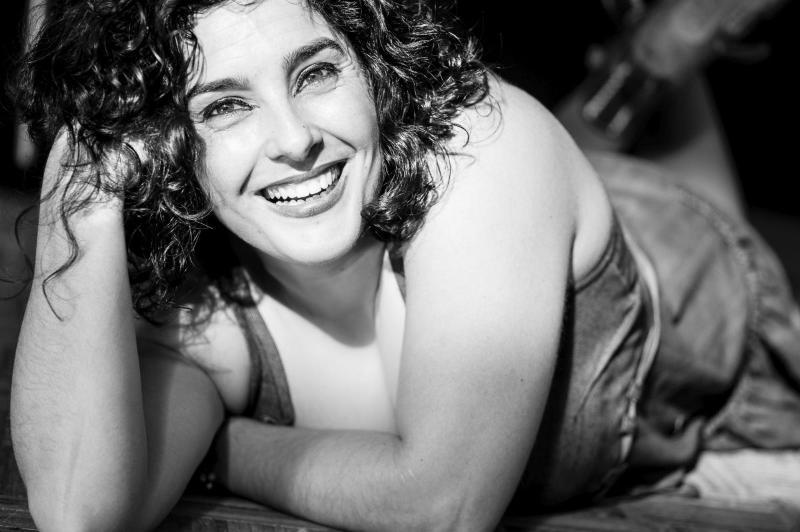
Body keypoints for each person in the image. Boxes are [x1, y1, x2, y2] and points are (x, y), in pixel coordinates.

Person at [9, 0, 800, 530]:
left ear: (370, 63)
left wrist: (221, 451)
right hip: (544, 222)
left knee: (588, 135)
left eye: (317, 71)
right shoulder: (204, 315)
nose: (294, 139)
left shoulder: (478, 153)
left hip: (693, 280)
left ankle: (660, 52)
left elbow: (441, 506)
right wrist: (79, 195)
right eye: (224, 106)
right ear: (160, 142)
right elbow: (80, 512)